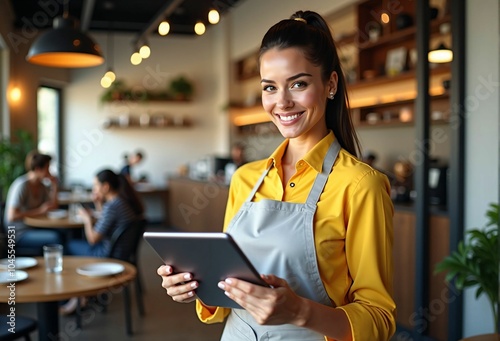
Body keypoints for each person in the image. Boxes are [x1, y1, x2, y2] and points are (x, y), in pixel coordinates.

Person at [157, 10, 395, 341]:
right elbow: (228, 289)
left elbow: (379, 318)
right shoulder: (244, 179)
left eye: (298, 83)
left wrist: (300, 311)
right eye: (270, 87)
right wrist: (196, 286)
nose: (281, 102)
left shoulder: (360, 185)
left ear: (330, 84)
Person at [62, 169, 145, 314]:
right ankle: (87, 293)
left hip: (108, 254)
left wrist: (87, 219)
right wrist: (99, 204)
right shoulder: (120, 201)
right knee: (75, 245)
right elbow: (105, 220)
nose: (94, 189)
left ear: (105, 187)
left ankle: (78, 296)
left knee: (68, 245)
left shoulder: (113, 206)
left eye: (95, 186)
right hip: (122, 252)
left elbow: (93, 239)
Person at [4, 151, 63, 255]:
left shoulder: (41, 186)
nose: (50, 172)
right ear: (38, 169)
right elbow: (12, 216)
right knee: (55, 237)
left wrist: (54, 186)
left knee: (63, 232)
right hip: (16, 234)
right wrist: (40, 211)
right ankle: (58, 266)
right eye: (48, 168)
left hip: (33, 227)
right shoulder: (21, 185)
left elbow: (53, 207)